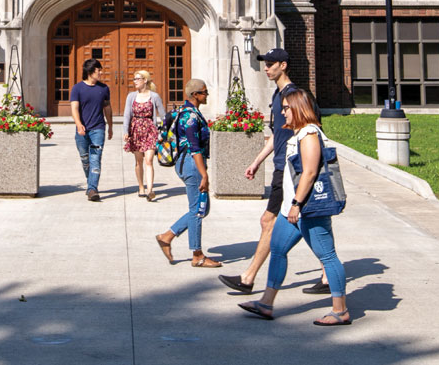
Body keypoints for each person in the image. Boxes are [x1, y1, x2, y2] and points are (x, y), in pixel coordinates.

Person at [238, 87, 351, 326]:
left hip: (308, 209)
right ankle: (266, 303)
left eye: (287, 108)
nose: (283, 112)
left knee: (327, 255)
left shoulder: (309, 133)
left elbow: (309, 173)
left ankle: (340, 310)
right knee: (278, 249)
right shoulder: (297, 134)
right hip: (292, 211)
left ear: (298, 108)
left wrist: (297, 204)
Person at [219, 48, 328, 294]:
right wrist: (257, 161)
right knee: (309, 223)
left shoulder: (295, 97)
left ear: (283, 65)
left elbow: (311, 128)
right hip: (281, 165)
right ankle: (327, 274)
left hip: (291, 168)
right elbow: (276, 136)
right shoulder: (278, 96)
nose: (266, 67)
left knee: (271, 221)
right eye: (265, 63)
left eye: (270, 63)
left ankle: (248, 278)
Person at [155, 79, 222, 268]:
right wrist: (205, 175)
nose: (206, 95)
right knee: (197, 210)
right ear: (195, 95)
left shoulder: (184, 112)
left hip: (187, 164)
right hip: (192, 165)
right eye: (204, 92)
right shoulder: (190, 118)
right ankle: (197, 255)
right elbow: (194, 149)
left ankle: (166, 237)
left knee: (202, 208)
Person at [70, 58, 113, 201]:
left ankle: (92, 189)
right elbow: (74, 108)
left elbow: (107, 108)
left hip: (98, 129)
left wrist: (110, 126)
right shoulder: (77, 88)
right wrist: (78, 124)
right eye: (98, 70)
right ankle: (91, 183)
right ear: (90, 71)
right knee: (85, 159)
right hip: (82, 130)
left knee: (95, 158)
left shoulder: (104, 89)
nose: (101, 72)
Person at [123, 70, 165, 201]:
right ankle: (141, 186)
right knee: (138, 161)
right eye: (134, 79)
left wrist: (163, 132)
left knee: (149, 160)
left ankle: (150, 190)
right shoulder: (131, 96)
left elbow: (163, 116)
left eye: (138, 79)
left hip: (150, 130)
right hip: (135, 130)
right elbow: (126, 115)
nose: (135, 81)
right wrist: (126, 132)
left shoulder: (154, 96)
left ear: (145, 80)